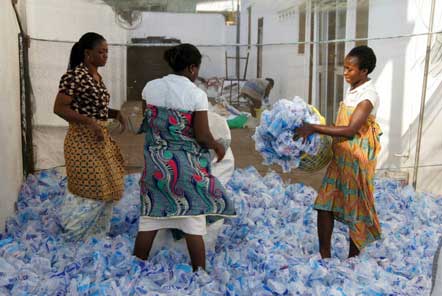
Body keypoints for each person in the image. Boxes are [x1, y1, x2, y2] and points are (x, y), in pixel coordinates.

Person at [133, 43, 236, 271]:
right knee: (194, 222)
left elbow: (149, 123)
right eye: (197, 69)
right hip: (185, 171)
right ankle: (199, 273)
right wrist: (218, 147)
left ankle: (135, 268)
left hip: (155, 166)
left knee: (149, 220)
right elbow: (202, 135)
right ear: (191, 68)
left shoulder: (151, 87)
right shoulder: (196, 95)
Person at [296, 45, 382, 259]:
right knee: (324, 204)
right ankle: (325, 255)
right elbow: (340, 126)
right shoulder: (353, 89)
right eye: (344, 67)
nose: (345, 73)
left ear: (364, 71)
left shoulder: (368, 95)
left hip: (356, 159)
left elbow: (351, 129)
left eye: (350, 69)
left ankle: (353, 258)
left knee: (356, 208)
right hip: (341, 156)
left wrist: (314, 127)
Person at [53, 32, 126, 241]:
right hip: (81, 140)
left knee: (110, 183)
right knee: (91, 186)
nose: (105, 56)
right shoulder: (74, 76)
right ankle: (75, 232)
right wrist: (89, 122)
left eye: (107, 52)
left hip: (98, 138)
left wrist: (114, 113)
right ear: (87, 53)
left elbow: (94, 108)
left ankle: (97, 235)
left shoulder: (95, 77)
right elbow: (59, 108)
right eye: (101, 52)